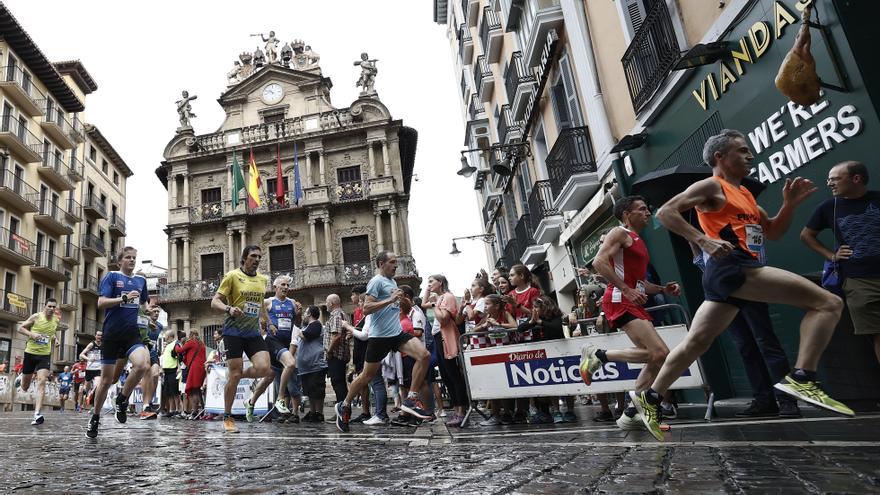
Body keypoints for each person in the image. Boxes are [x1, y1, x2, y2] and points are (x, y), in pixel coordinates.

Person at [632, 129, 853, 441]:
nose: (750, 156)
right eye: (743, 151)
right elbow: (666, 212)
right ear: (721, 157)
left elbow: (773, 230)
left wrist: (789, 204)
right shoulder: (711, 185)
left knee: (696, 343)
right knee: (828, 303)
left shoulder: (746, 195)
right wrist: (702, 240)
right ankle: (803, 376)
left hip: (731, 273)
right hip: (733, 268)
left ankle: (650, 397)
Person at [578, 196, 681, 431]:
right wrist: (627, 289)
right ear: (627, 214)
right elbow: (599, 262)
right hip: (618, 299)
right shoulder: (619, 233)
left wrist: (664, 289)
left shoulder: (639, 241)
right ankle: (599, 355)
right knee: (660, 352)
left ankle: (633, 413)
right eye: (642, 209)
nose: (647, 212)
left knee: (656, 356)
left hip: (630, 299)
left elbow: (640, 282)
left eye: (648, 208)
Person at [690, 242, 800, 418]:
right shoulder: (702, 227)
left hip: (748, 285)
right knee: (745, 347)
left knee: (766, 342)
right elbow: (701, 260)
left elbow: (758, 251)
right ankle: (764, 401)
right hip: (722, 291)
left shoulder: (733, 219)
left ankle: (787, 400)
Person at [335, 251, 432, 433]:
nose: (396, 265)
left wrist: (401, 301)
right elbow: (367, 309)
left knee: (424, 355)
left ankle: (410, 399)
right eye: (392, 262)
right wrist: (390, 299)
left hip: (395, 334)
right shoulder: (376, 281)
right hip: (379, 337)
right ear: (381, 263)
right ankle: (344, 404)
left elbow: (395, 306)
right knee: (366, 376)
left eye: (396, 262)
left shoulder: (392, 282)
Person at [801, 161, 880, 364]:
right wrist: (831, 255)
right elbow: (806, 235)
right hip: (860, 281)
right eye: (829, 179)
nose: (829, 183)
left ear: (856, 178)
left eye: (835, 178)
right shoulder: (828, 207)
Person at [86, 247, 151, 438]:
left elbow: (143, 304)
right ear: (120, 260)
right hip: (111, 335)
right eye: (128, 257)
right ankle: (95, 417)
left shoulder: (141, 281)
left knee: (142, 365)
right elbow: (101, 303)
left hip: (131, 334)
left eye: (134, 258)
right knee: (108, 380)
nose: (132, 260)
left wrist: (147, 315)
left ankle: (122, 400)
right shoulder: (112, 277)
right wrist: (122, 298)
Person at [211, 245, 274, 433]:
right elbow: (214, 301)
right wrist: (229, 309)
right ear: (245, 258)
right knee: (235, 373)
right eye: (253, 256)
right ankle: (228, 417)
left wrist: (268, 321)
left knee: (264, 368)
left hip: (252, 331)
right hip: (233, 331)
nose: (256, 259)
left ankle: (236, 375)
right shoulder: (232, 276)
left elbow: (260, 304)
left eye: (259, 257)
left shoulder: (262, 280)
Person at [424, 274, 466, 427]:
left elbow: (443, 319)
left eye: (431, 281)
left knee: (453, 375)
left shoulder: (448, 297)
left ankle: (461, 411)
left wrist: (435, 305)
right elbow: (423, 304)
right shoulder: (439, 298)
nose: (428, 284)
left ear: (440, 283)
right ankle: (456, 410)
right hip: (438, 339)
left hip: (446, 339)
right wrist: (428, 291)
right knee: (447, 376)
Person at [473, 293, 517, 426]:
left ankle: (508, 413)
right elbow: (474, 329)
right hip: (492, 355)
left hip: (507, 353)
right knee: (494, 385)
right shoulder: (487, 317)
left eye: (487, 304)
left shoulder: (505, 313)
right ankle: (495, 414)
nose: (485, 307)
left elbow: (515, 325)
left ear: (497, 306)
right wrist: (484, 326)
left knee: (506, 385)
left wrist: (499, 324)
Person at [261, 274, 300, 422]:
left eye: (287, 285)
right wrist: (269, 323)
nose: (286, 287)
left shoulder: (292, 303)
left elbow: (298, 323)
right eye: (283, 285)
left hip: (285, 343)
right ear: (275, 287)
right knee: (290, 364)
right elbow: (258, 307)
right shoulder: (270, 301)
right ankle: (280, 398)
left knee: (270, 377)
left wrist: (300, 314)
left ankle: (251, 402)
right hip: (273, 342)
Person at [16, 298, 60, 425]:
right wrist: (32, 334)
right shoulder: (36, 317)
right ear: (44, 306)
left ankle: (37, 413)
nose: (52, 309)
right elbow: (21, 328)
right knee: (25, 387)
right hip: (30, 353)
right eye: (50, 306)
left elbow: (51, 333)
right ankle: (21, 377)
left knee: (42, 382)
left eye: (54, 307)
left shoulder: (55, 320)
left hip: (44, 355)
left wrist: (55, 340)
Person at [294, 306, 328, 422]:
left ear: (309, 314)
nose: (304, 314)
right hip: (307, 366)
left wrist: (298, 332)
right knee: (309, 391)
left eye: (305, 312)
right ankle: (313, 412)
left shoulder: (316, 325)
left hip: (316, 365)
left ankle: (319, 413)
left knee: (317, 390)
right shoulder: (307, 326)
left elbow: (306, 336)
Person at [323, 294, 351, 406]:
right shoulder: (343, 314)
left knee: (338, 383)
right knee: (340, 383)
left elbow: (336, 336)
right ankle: (342, 409)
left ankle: (342, 409)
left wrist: (329, 351)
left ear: (331, 303)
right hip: (340, 355)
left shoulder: (336, 315)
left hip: (336, 355)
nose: (325, 304)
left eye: (326, 302)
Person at [176, 329, 207, 419]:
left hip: (194, 367)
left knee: (192, 389)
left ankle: (195, 411)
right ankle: (202, 410)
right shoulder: (202, 344)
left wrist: (177, 343)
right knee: (197, 390)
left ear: (191, 334)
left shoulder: (191, 342)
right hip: (201, 368)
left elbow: (179, 350)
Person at [139, 306, 163, 420]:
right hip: (143, 349)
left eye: (158, 312)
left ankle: (150, 400)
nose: (157, 313)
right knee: (147, 375)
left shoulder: (160, 326)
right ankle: (145, 405)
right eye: (155, 311)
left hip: (154, 352)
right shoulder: (144, 321)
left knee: (155, 375)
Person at [159, 329, 182, 418]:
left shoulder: (175, 344)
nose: (165, 339)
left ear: (170, 337)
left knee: (175, 392)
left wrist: (179, 368)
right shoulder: (168, 346)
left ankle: (178, 410)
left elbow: (179, 356)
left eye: (166, 337)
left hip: (173, 370)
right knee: (169, 392)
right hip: (167, 371)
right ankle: (171, 410)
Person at [79, 331, 103, 408]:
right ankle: (84, 399)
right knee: (86, 389)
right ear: (95, 336)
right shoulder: (91, 344)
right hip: (89, 369)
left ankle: (94, 405)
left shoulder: (103, 345)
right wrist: (89, 358)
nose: (99, 337)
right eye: (98, 335)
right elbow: (81, 354)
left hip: (98, 369)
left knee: (97, 386)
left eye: (101, 335)